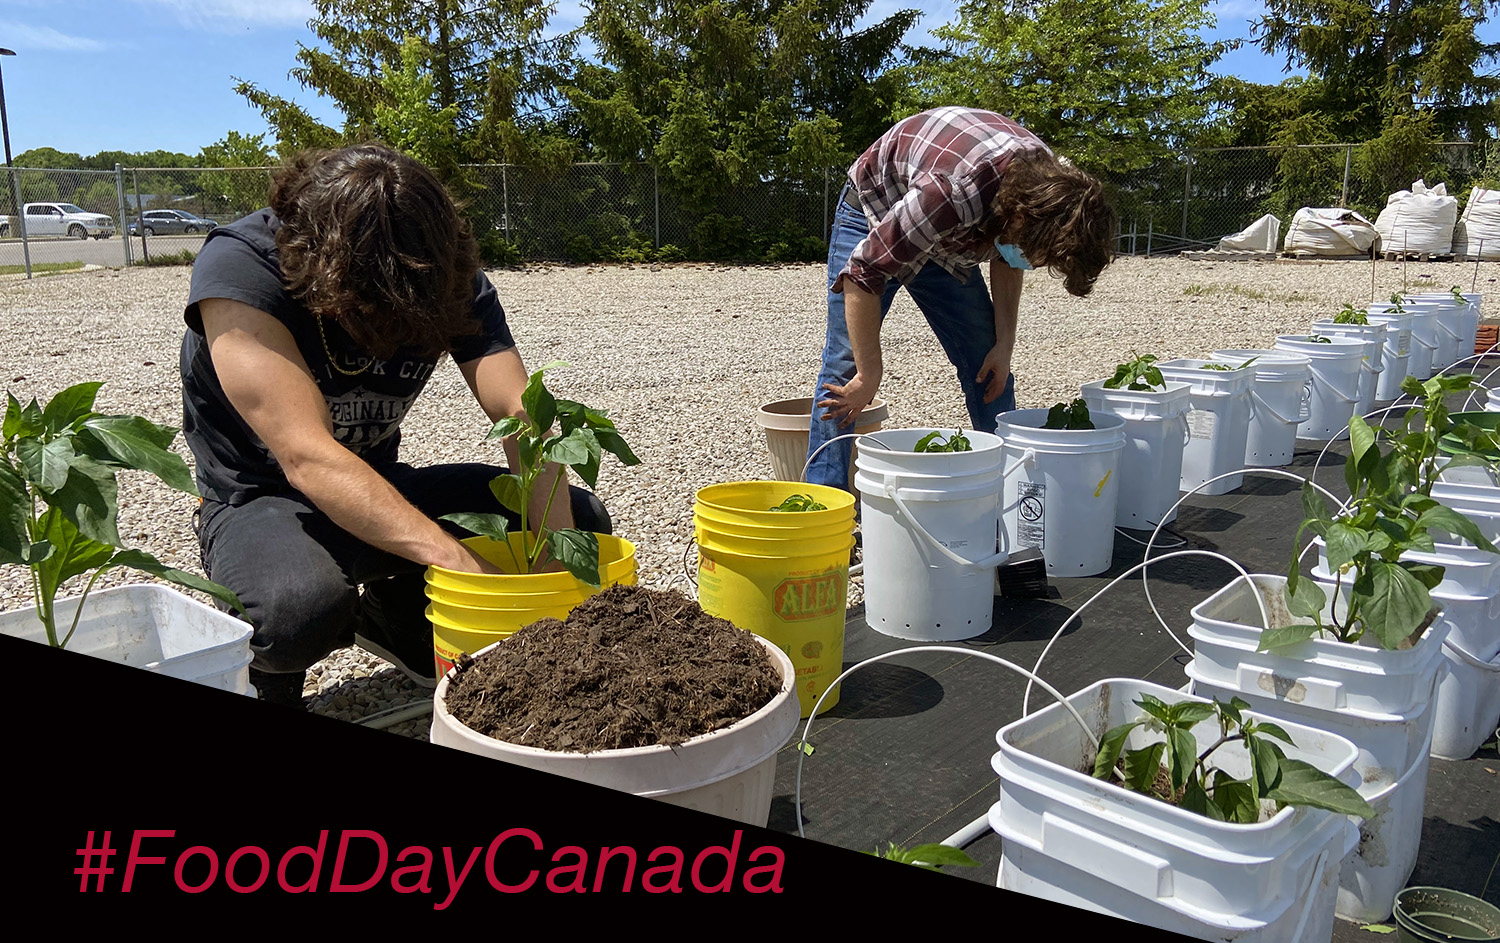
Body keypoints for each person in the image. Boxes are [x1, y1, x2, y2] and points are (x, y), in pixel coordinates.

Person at [180, 144, 610, 708]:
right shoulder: (244, 267)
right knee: (296, 613)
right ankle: (271, 668)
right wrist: (462, 566)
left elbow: (520, 414)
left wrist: (552, 554)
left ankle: (394, 617)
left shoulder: (441, 270)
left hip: (375, 481)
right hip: (261, 497)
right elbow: (306, 455)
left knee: (580, 520)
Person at [806, 107, 1117, 490]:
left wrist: (1004, 345)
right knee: (846, 371)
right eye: (1039, 255)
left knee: (989, 366)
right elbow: (862, 274)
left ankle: (1009, 493)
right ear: (1018, 219)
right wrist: (870, 375)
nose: (1034, 263)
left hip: (950, 233)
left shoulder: (1048, 191)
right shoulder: (954, 193)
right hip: (876, 210)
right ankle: (824, 505)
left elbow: (1008, 254)